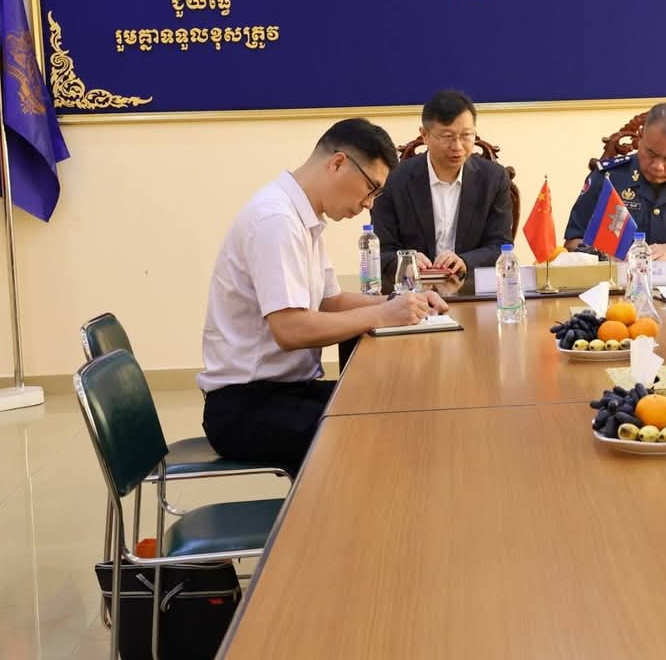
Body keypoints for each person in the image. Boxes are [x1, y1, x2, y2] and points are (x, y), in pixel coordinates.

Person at [198, 119, 448, 475]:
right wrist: (383, 315)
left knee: (395, 404)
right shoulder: (276, 220)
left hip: (287, 391)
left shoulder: (302, 216)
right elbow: (290, 330)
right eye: (371, 189)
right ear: (338, 163)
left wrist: (404, 302)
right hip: (247, 407)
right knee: (377, 431)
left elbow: (330, 301)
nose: (369, 204)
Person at [370, 90, 513, 284]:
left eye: (466, 135)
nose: (458, 146)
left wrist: (465, 261)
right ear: (425, 135)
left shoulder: (494, 178)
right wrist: (406, 261)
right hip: (413, 290)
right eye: (447, 136)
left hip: (469, 289)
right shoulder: (395, 180)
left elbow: (500, 246)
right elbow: (380, 252)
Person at [563, 102, 666, 262]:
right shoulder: (607, 178)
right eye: (651, 154)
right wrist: (605, 256)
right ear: (640, 137)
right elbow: (573, 242)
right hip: (616, 275)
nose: (658, 166)